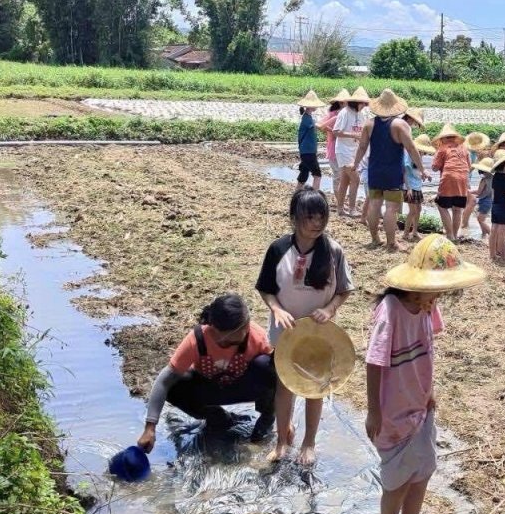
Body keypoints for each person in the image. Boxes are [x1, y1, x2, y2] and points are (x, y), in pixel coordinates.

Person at [365, 235, 486, 514]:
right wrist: (374, 411)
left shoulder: (427, 306)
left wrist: (429, 392)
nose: (435, 299)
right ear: (414, 285)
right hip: (392, 411)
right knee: (396, 479)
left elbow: (428, 348)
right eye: (432, 291)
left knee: (422, 470)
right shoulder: (390, 310)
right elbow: (374, 362)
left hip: (420, 407)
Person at [255, 188, 354, 464]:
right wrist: (276, 309)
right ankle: (282, 440)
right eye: (309, 217)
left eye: (321, 216)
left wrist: (329, 309)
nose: (316, 223)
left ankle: (309, 443)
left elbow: (344, 289)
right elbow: (265, 288)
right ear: (294, 218)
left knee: (315, 387)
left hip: (318, 333)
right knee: (284, 386)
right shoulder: (278, 249)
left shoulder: (333, 251)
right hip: (285, 334)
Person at [136, 294, 275, 452]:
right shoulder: (198, 339)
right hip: (211, 390)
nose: (247, 330)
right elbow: (164, 380)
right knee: (175, 384)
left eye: (247, 327)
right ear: (215, 330)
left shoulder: (258, 337)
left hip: (244, 388)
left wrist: (286, 421)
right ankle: (217, 417)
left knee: (268, 365)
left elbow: (284, 377)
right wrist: (150, 428)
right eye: (228, 340)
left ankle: (266, 422)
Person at [354, 89, 429, 252]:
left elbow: (361, 147)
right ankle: (391, 243)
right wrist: (422, 169)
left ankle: (375, 239)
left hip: (375, 170)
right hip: (393, 171)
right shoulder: (399, 125)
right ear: (395, 106)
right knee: (391, 208)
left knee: (374, 205)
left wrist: (355, 164)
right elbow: (411, 148)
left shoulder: (369, 124)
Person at [333, 87, 370, 217]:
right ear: (356, 102)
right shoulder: (344, 112)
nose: (365, 106)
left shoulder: (362, 114)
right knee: (356, 178)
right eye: (363, 103)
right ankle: (352, 209)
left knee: (345, 180)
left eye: (366, 104)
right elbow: (336, 132)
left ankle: (340, 209)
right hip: (343, 150)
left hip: (354, 151)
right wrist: (353, 135)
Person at [431, 124, 470, 241]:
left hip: (449, 178)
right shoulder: (463, 148)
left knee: (441, 205)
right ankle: (454, 235)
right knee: (457, 209)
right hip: (463, 179)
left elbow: (434, 167)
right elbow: (469, 166)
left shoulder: (442, 148)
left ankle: (449, 235)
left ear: (442, 138)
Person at [403, 119, 433, 242]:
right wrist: (408, 187)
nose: (423, 152)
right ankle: (405, 234)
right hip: (410, 187)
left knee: (418, 209)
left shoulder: (419, 156)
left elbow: (417, 171)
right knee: (412, 211)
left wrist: (424, 175)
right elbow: (404, 172)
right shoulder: (410, 155)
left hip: (418, 186)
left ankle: (415, 231)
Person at [319, 90, 348, 202]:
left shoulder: (346, 114)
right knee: (338, 177)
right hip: (334, 149)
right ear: (341, 103)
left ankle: (341, 201)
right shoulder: (334, 115)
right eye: (346, 102)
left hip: (344, 149)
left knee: (344, 177)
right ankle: (340, 202)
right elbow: (320, 125)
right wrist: (332, 132)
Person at [295, 90, 326, 192]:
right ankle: (315, 195)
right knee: (317, 174)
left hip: (306, 151)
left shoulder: (308, 117)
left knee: (303, 174)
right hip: (308, 152)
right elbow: (319, 126)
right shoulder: (307, 118)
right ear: (311, 106)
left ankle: (296, 194)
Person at [461, 131, 490, 231]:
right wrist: (478, 163)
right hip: (464, 179)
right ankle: (464, 223)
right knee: (472, 201)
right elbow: (467, 169)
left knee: (467, 202)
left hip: (466, 178)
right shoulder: (469, 153)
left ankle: (465, 223)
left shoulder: (472, 153)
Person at [470, 156, 494, 239]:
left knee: (480, 219)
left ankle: (492, 235)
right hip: (490, 200)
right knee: (481, 218)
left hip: (485, 201)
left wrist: (468, 191)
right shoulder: (493, 178)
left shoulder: (484, 180)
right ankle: (484, 234)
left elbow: (478, 191)